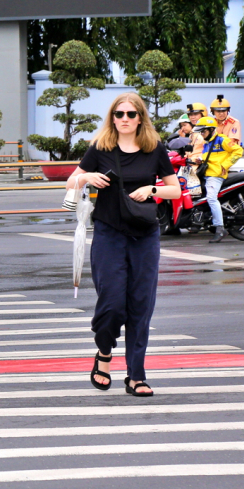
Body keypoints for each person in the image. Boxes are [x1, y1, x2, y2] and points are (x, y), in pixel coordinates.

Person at [65, 94, 181, 398]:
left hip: (145, 235)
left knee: (141, 306)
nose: (125, 119)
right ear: (112, 117)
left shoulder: (154, 148)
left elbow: (175, 190)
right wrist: (87, 176)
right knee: (112, 303)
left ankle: (136, 376)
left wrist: (151, 189)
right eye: (119, 114)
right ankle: (104, 352)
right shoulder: (100, 147)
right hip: (109, 234)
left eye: (131, 113)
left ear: (140, 117)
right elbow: (71, 182)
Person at [190, 116, 243, 244]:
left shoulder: (222, 140)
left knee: (211, 198)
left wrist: (225, 165)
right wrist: (200, 159)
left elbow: (238, 151)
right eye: (200, 132)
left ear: (211, 129)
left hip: (215, 175)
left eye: (203, 131)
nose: (202, 134)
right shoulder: (207, 142)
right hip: (206, 174)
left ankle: (220, 229)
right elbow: (211, 156)